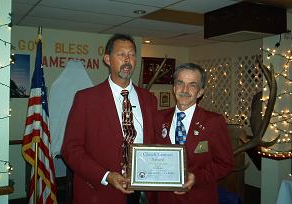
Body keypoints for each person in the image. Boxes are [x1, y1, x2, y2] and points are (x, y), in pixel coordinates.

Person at [61, 34, 158, 204]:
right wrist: (106, 176)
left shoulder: (149, 99)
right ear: (107, 59)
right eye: (121, 54)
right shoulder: (86, 99)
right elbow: (71, 149)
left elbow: (155, 141)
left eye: (132, 54)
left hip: (142, 190)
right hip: (101, 192)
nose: (128, 60)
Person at [155, 63, 234, 204]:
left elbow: (225, 164)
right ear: (174, 87)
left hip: (198, 198)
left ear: (200, 92)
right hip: (164, 199)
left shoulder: (213, 122)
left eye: (192, 85)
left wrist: (195, 177)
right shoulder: (158, 117)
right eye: (180, 83)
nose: (184, 90)